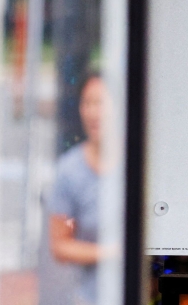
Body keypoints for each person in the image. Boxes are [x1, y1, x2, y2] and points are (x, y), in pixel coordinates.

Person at [48, 72, 115, 305]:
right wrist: (113, 253)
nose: (94, 113)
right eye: (88, 103)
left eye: (101, 103)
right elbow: (60, 245)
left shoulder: (138, 164)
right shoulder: (69, 170)